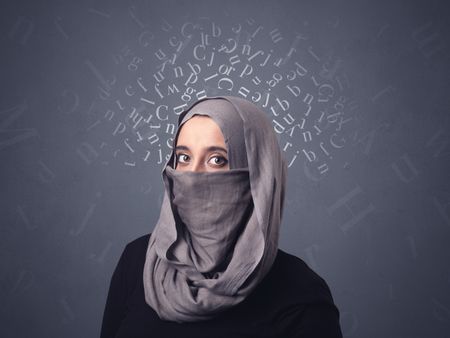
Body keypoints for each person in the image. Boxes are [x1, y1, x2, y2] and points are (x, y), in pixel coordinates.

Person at [100, 96, 343, 337]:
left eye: (217, 159)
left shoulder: (301, 294)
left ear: (257, 175)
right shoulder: (138, 261)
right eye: (184, 158)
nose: (192, 176)